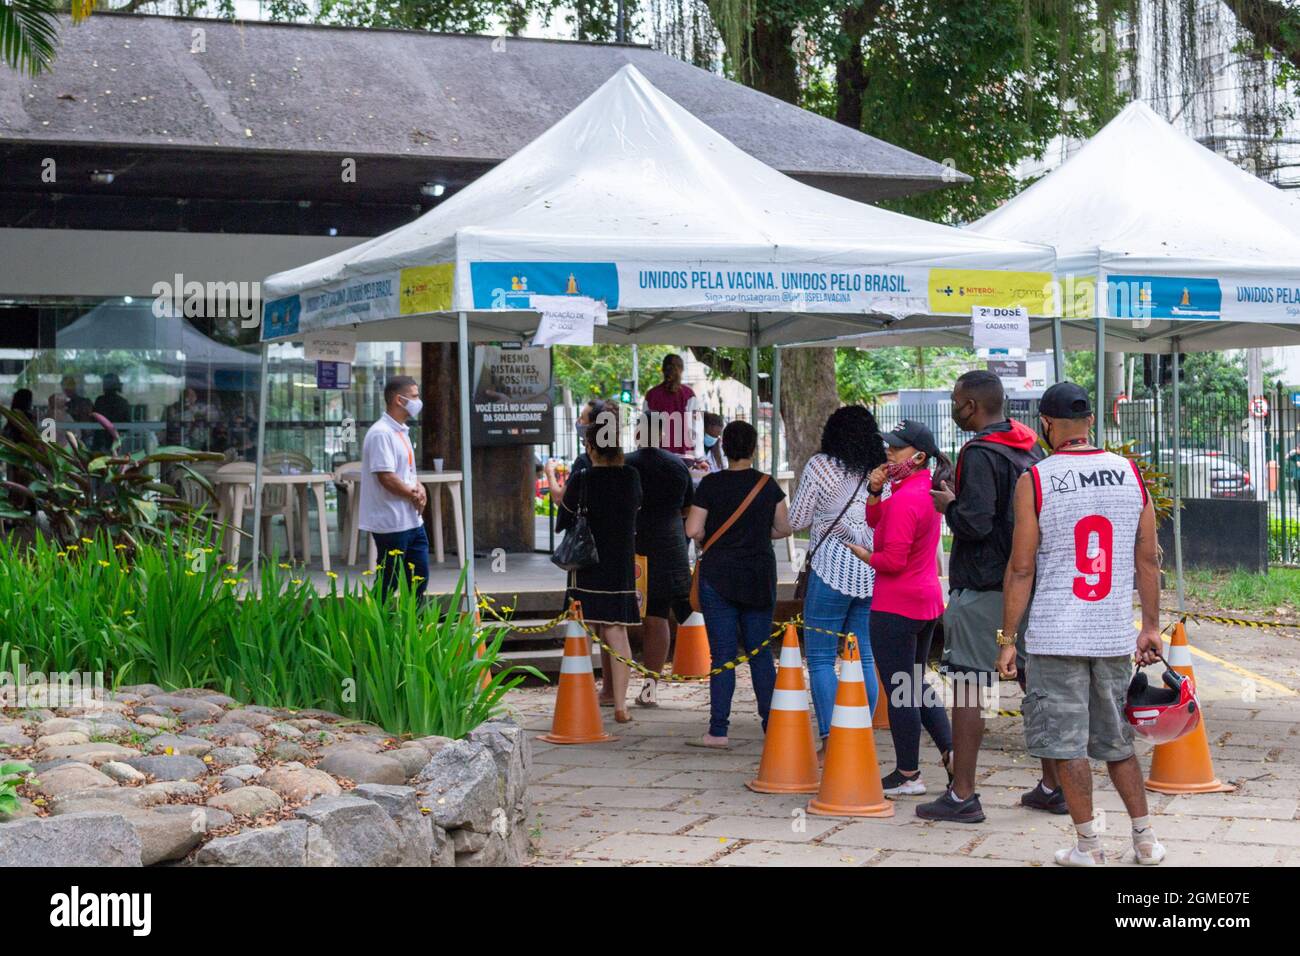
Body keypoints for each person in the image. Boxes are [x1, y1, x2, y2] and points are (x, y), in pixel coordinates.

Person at [999, 382, 1165, 866]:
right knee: (1117, 744)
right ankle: (1145, 840)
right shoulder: (1130, 474)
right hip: (1113, 635)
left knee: (1067, 743)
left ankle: (1088, 847)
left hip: (1054, 636)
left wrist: (1007, 640)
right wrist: (1150, 627)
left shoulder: (1037, 479)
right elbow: (1147, 560)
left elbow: (1022, 567)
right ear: (1091, 421)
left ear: (1047, 426)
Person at [917, 370, 1058, 823]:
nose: (956, 408)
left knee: (968, 686)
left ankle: (962, 796)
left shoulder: (978, 453)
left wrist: (947, 505)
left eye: (957, 401)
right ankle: (1053, 786)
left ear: (971, 405)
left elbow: (975, 522)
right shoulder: (1029, 448)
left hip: (983, 589)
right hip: (1027, 585)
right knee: (1034, 685)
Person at [848, 419, 953, 796]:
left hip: (896, 605)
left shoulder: (909, 498)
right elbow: (877, 519)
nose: (889, 451)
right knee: (914, 685)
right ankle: (951, 753)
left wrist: (865, 555)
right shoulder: (920, 488)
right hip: (924, 603)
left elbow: (891, 559)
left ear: (919, 455)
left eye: (897, 446)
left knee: (901, 691)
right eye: (889, 445)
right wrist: (874, 492)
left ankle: (908, 774)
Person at [684, 420, 790, 748]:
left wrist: (714, 539)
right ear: (754, 448)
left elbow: (692, 531)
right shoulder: (767, 485)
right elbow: (784, 528)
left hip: (718, 577)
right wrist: (756, 534)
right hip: (758, 575)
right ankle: (772, 725)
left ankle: (718, 730)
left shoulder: (711, 485)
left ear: (724, 447)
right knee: (760, 653)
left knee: (723, 655)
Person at [789, 405, 886, 752]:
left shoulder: (821, 465)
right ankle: (861, 734)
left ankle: (832, 740)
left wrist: (823, 513)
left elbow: (796, 518)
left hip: (831, 568)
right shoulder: (881, 469)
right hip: (872, 569)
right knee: (864, 656)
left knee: (820, 659)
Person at [560, 400, 642, 722]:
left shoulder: (582, 479)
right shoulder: (632, 477)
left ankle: (580, 700)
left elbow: (563, 521)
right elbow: (636, 510)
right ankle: (621, 705)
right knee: (616, 631)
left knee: (581, 630)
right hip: (619, 563)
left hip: (586, 565)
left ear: (591, 445)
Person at [625, 424, 695, 707]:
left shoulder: (627, 465)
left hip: (635, 544)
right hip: (670, 544)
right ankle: (650, 685)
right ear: (663, 435)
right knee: (658, 614)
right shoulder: (678, 465)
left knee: (619, 619)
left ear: (639, 435)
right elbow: (688, 508)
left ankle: (613, 688)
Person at [359, 375, 429, 600]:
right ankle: (375, 626)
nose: (419, 401)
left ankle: (413, 629)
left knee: (419, 579)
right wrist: (413, 495)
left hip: (412, 520)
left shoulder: (402, 431)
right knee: (388, 582)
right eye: (414, 396)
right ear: (399, 400)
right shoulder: (381, 433)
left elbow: (406, 471)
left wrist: (419, 488)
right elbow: (386, 477)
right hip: (391, 522)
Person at [643, 353, 697, 457]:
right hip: (684, 455)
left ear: (663, 370)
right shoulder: (689, 395)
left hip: (657, 456)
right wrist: (699, 457)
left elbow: (645, 426)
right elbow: (695, 426)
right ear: (681, 370)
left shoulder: (651, 395)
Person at [91, 373, 133, 451]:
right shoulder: (122, 402)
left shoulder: (100, 401)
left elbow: (127, 425)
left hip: (106, 442)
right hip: (106, 442)